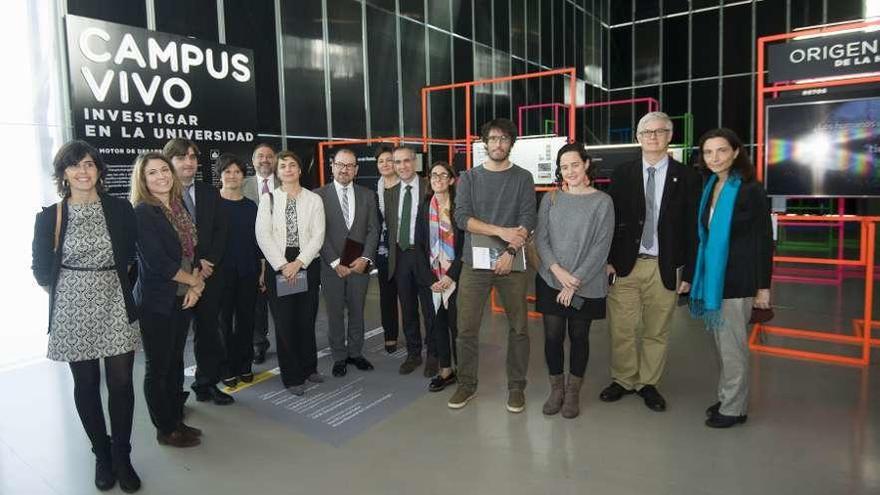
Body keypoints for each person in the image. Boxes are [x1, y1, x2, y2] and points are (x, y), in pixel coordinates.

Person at [31, 140, 142, 492]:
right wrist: (65, 294)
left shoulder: (120, 209)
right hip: (71, 305)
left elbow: (134, 253)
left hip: (114, 298)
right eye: (75, 165)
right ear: (63, 173)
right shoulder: (50, 216)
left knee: (122, 382)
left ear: (98, 170)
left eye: (89, 164)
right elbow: (41, 268)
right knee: (86, 384)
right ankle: (102, 454)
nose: (83, 172)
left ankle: (122, 455)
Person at [602, 111, 701, 412]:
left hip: (666, 266)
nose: (653, 136)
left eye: (660, 131)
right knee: (622, 327)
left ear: (670, 136)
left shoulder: (688, 177)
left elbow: (694, 230)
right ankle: (623, 379)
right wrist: (607, 260)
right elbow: (609, 220)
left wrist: (691, 273)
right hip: (625, 266)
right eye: (647, 132)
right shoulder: (623, 173)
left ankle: (648, 384)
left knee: (656, 330)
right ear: (638, 137)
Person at [448, 118, 537, 412]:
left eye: (504, 139)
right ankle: (466, 384)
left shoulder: (523, 178)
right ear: (484, 143)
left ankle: (516, 387)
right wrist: (500, 231)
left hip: (513, 260)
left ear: (512, 143)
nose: (498, 144)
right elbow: (462, 218)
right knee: (466, 328)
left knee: (519, 327)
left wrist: (511, 249)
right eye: (493, 138)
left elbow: (528, 218)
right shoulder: (470, 178)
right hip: (475, 263)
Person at [689, 128, 773, 428]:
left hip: (738, 280)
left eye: (722, 150)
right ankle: (728, 396)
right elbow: (707, 235)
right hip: (714, 279)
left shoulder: (750, 189)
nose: (714, 158)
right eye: (708, 152)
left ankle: (735, 409)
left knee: (732, 347)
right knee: (723, 345)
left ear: (736, 152)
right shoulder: (712, 184)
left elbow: (764, 240)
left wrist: (763, 287)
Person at [534, 143, 614, 419]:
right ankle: (556, 388)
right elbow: (541, 239)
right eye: (564, 167)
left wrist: (574, 281)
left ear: (587, 164)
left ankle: (573, 391)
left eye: (575, 165)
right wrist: (558, 272)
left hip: (586, 284)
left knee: (579, 336)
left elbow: (601, 247)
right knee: (553, 336)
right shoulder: (551, 199)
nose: (570, 171)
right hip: (550, 279)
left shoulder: (602, 202)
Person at [131, 152, 204, 449]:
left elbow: (192, 250)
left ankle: (176, 418)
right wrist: (195, 282)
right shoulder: (142, 212)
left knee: (175, 362)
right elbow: (158, 262)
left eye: (164, 170)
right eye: (152, 173)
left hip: (182, 296)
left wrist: (194, 286)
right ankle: (165, 428)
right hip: (157, 301)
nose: (161, 176)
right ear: (143, 179)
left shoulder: (178, 205)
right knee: (158, 366)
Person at [163, 139, 233, 405]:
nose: (189, 162)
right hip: (178, 280)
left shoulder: (209, 193)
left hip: (208, 275)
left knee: (208, 333)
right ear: (170, 161)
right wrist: (191, 269)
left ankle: (206, 383)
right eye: (182, 157)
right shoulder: (161, 196)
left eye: (193, 157)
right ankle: (174, 393)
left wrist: (207, 262)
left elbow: (221, 231)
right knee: (176, 339)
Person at [255, 151, 326, 395]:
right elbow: (262, 235)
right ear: (277, 172)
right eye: (282, 166)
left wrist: (300, 262)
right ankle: (292, 376)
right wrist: (284, 265)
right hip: (279, 266)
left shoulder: (313, 199)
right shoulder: (269, 199)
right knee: (285, 322)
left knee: (306, 318)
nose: (288, 169)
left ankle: (309, 367)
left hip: (307, 263)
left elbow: (318, 235)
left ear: (299, 170)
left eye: (292, 165)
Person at [315, 148, 380, 377]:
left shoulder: (367, 195)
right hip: (331, 267)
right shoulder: (318, 196)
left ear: (356, 169)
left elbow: (374, 230)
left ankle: (355, 353)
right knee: (334, 313)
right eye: (340, 164)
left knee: (357, 310)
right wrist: (334, 262)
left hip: (359, 267)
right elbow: (317, 233)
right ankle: (339, 357)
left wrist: (365, 258)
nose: (345, 169)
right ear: (332, 166)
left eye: (350, 165)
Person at [384, 146, 436, 376]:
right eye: (397, 162)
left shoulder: (430, 187)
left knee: (430, 308)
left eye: (407, 161)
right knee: (407, 308)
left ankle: (434, 353)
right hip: (401, 255)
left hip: (425, 256)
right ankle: (413, 353)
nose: (402, 166)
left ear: (415, 162)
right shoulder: (391, 191)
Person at [414, 161, 464, 392]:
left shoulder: (460, 207)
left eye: (443, 175)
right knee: (438, 324)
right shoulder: (425, 206)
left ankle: (464, 370)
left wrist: (451, 275)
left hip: (456, 277)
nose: (438, 179)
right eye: (434, 175)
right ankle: (446, 370)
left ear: (452, 180)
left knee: (458, 326)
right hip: (433, 277)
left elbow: (465, 246)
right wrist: (430, 278)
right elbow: (420, 245)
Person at [216, 154, 260, 388]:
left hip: (248, 271)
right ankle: (226, 367)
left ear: (244, 176)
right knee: (224, 323)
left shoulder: (251, 206)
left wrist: (261, 269)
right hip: (221, 274)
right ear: (220, 174)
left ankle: (245, 364)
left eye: (237, 172)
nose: (233, 176)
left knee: (246, 320)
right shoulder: (213, 204)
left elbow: (257, 241)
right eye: (228, 172)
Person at [243, 143, 277, 365]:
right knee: (256, 302)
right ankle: (258, 343)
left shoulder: (287, 181)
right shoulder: (241, 185)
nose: (265, 160)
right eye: (260, 156)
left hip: (283, 252)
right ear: (253, 161)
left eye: (269, 156)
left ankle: (288, 340)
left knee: (284, 299)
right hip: (251, 252)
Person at [374, 145, 401, 354]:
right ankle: (390, 336)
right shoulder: (378, 188)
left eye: (389, 160)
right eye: (381, 161)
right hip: (384, 250)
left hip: (405, 249)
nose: (385, 164)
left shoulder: (408, 186)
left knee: (410, 296)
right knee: (386, 295)